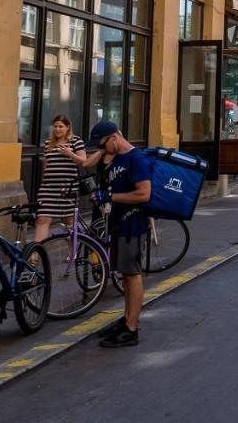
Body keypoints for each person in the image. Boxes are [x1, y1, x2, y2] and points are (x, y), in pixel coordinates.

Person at [89, 120, 151, 349]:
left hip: (132, 226)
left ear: (114, 138)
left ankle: (132, 328)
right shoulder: (117, 159)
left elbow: (144, 194)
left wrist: (111, 198)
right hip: (119, 225)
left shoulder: (136, 159)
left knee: (132, 275)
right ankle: (126, 319)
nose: (102, 149)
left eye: (104, 144)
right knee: (125, 275)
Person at [34, 115, 87, 242]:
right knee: (42, 219)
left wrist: (70, 153)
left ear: (67, 127)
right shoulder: (48, 144)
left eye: (61, 126)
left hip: (67, 188)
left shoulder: (76, 141)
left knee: (68, 220)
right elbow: (46, 164)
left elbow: (84, 161)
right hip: (48, 188)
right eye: (55, 126)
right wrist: (44, 181)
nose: (57, 129)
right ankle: (35, 254)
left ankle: (73, 251)